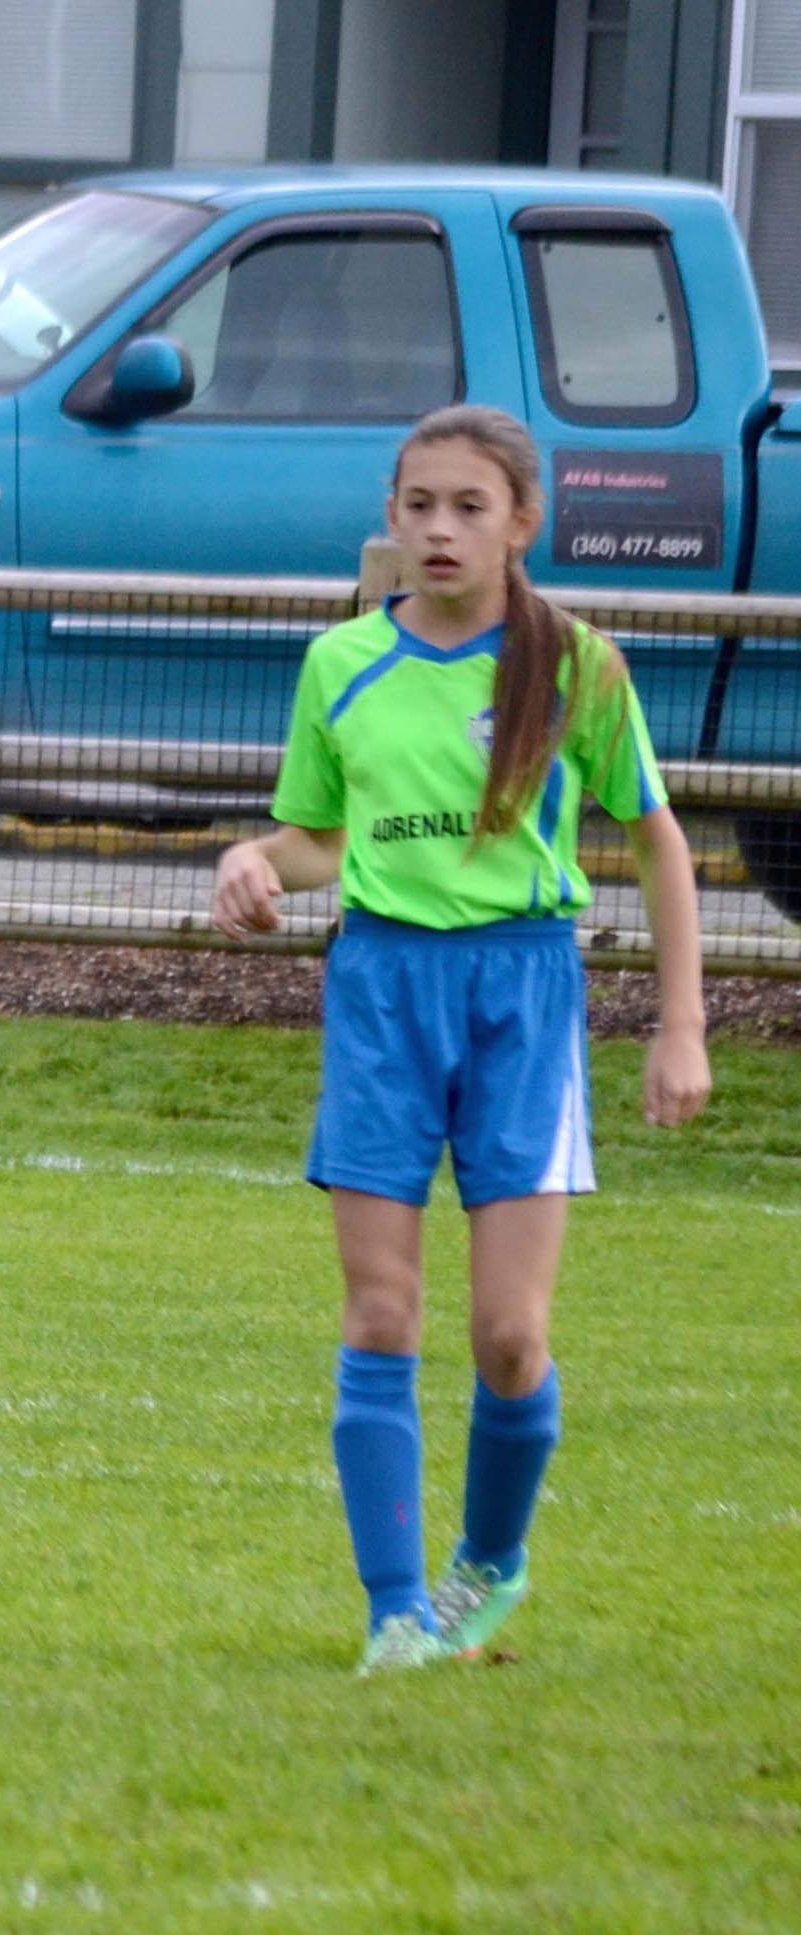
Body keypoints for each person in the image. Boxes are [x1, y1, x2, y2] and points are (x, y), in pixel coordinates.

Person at [212, 403, 711, 1675]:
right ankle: (392, 1610)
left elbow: (656, 841)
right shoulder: (341, 666)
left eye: (468, 508)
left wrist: (680, 1024)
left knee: (507, 1337)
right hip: (381, 992)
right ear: (390, 514)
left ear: (521, 525)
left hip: (524, 995)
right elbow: (321, 840)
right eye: (418, 504)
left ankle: (488, 1560)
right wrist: (254, 860)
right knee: (381, 1312)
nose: (439, 529)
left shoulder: (572, 664)